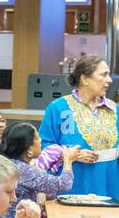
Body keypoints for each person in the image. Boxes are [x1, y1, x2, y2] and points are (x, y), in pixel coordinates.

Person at [40, 54, 116, 201]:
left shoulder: (115, 111)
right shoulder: (58, 108)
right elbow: (44, 145)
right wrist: (69, 154)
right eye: (104, 75)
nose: (110, 80)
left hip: (109, 184)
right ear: (85, 79)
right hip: (71, 183)